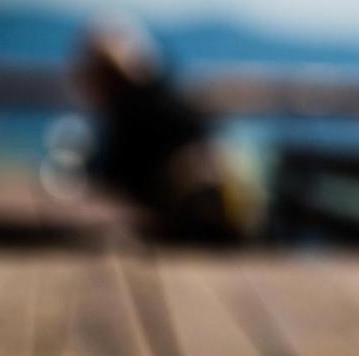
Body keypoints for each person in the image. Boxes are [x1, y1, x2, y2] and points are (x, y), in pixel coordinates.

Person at [76, 25, 249, 242]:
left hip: (186, 219)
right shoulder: (161, 97)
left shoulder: (134, 110)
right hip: (212, 214)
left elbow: (114, 172)